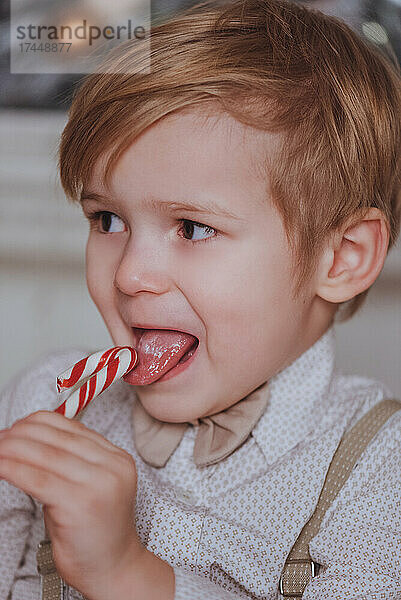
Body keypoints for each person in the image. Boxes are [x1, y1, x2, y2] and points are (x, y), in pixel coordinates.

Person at [0, 0, 400, 598]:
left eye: (192, 228)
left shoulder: (378, 473)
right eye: (107, 219)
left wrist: (124, 573)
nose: (131, 274)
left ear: (340, 258)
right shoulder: (48, 399)